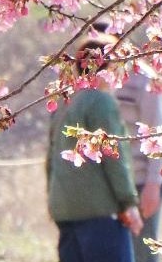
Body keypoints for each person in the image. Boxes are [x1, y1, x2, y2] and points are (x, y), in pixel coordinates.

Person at [46, 30, 143, 262]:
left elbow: (51, 158)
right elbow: (113, 158)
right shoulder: (101, 102)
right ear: (107, 67)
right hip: (100, 212)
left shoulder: (65, 102)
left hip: (64, 208)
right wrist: (128, 202)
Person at [112, 70, 162, 262]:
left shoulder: (144, 79)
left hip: (140, 183)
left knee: (142, 254)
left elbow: (157, 133)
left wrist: (153, 184)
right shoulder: (94, 77)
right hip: (107, 187)